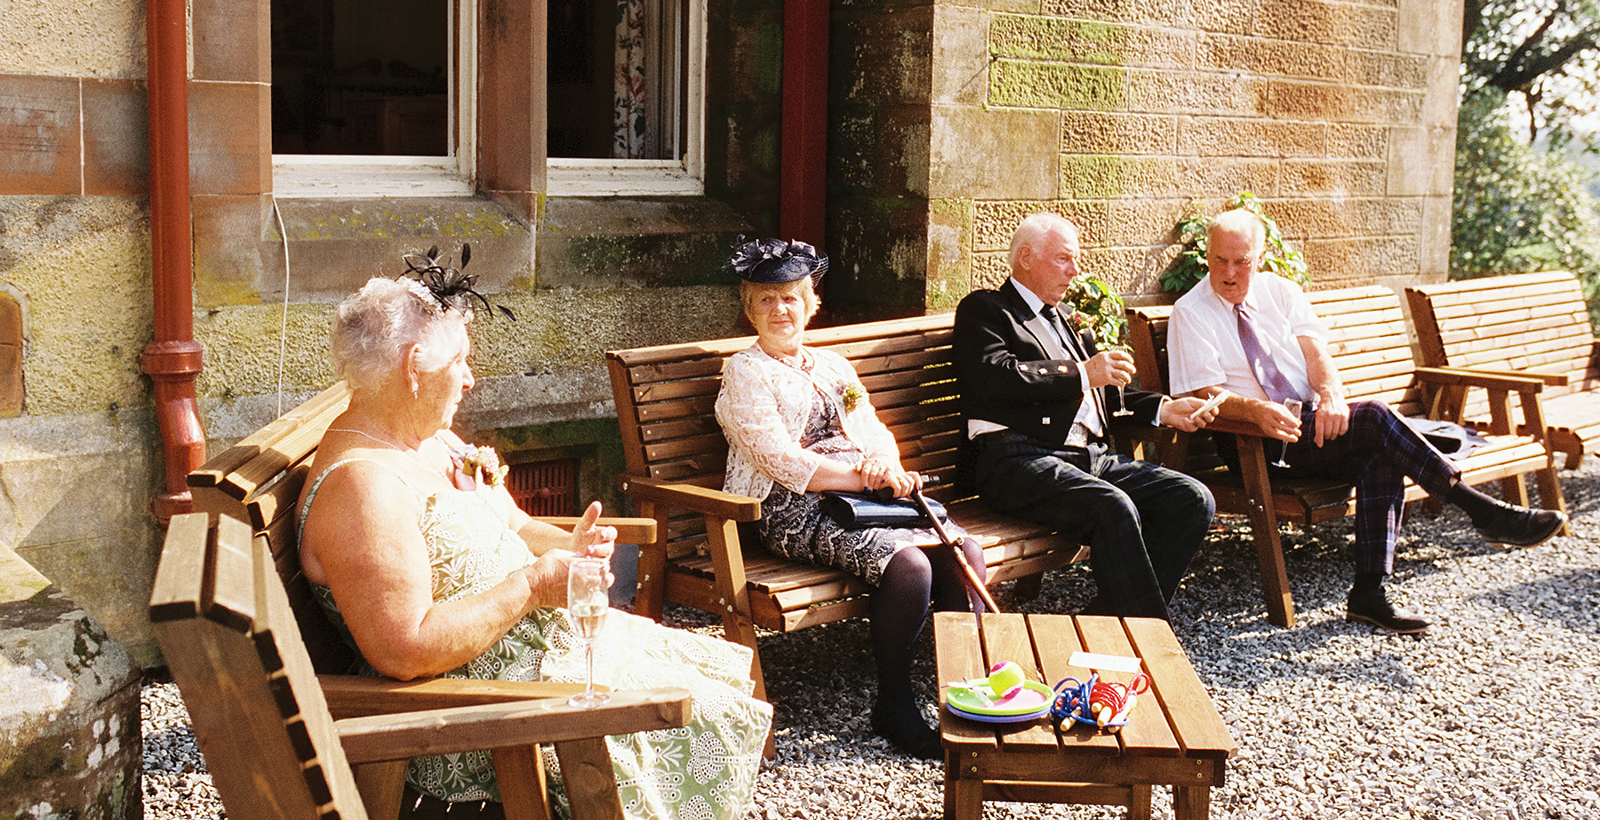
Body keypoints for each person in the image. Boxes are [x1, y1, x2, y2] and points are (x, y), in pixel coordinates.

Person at [296, 251, 771, 819]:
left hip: (535, 668)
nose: (470, 380)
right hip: (479, 725)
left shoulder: (421, 440)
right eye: (462, 362)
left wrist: (566, 549)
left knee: (715, 675)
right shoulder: (362, 488)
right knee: (693, 712)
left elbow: (514, 525)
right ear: (412, 367)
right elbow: (406, 649)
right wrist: (533, 586)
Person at [1167, 207, 1568, 634]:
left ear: (1259, 258)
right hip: (1256, 440)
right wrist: (1257, 411)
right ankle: (1482, 509)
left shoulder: (1279, 292)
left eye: (1241, 261)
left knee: (1381, 455)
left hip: (1308, 425)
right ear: (1208, 256)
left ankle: (1369, 594)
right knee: (1376, 416)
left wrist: (1331, 396)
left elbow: (1316, 353)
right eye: (1219, 260)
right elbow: (1202, 394)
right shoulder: (1190, 313)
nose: (1228, 273)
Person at [713, 236, 986, 760]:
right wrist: (863, 480)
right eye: (766, 299)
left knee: (964, 553)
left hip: (865, 500)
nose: (780, 310)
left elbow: (871, 428)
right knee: (910, 567)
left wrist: (887, 464)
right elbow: (778, 460)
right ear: (749, 310)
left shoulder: (834, 367)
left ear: (810, 304)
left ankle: (968, 700)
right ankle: (895, 706)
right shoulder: (745, 371)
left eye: (790, 297)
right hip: (789, 507)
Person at [952, 213, 1224, 622]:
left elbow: (1106, 394)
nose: (1075, 271)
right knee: (1113, 506)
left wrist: (1165, 408)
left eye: (1074, 260)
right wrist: (1081, 372)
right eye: (1064, 259)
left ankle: (1105, 622)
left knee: (1192, 498)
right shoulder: (987, 309)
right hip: (1016, 460)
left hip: (1087, 458)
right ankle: (1145, 636)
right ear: (1025, 258)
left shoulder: (1065, 319)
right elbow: (993, 376)